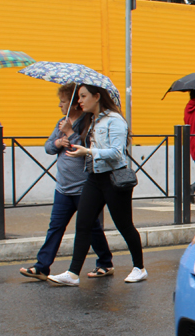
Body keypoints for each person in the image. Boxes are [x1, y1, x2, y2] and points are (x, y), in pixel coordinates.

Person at [47, 84, 146, 286]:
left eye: (84, 96)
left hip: (113, 179)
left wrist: (89, 152)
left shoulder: (115, 121)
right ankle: (73, 274)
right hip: (94, 178)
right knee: (83, 224)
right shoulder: (93, 120)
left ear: (97, 96)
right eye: (79, 97)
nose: (80, 101)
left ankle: (139, 268)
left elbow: (117, 153)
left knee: (124, 225)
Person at [19, 84, 114, 280]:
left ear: (75, 103)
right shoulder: (62, 122)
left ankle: (105, 262)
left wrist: (70, 134)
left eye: (63, 101)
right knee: (55, 226)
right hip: (62, 187)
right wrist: (57, 143)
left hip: (84, 187)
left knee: (91, 227)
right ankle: (42, 266)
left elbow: (87, 151)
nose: (60, 105)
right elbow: (48, 147)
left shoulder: (89, 123)